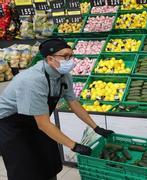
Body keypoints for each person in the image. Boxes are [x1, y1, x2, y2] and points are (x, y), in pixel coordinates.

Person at [0, 38, 114, 180]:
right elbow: (43, 124)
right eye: (65, 56)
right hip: (12, 125)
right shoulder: (33, 81)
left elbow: (73, 102)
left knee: (49, 160)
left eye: (71, 56)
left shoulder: (64, 75)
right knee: (25, 167)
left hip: (37, 120)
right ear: (50, 59)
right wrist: (74, 146)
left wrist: (96, 127)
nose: (70, 60)